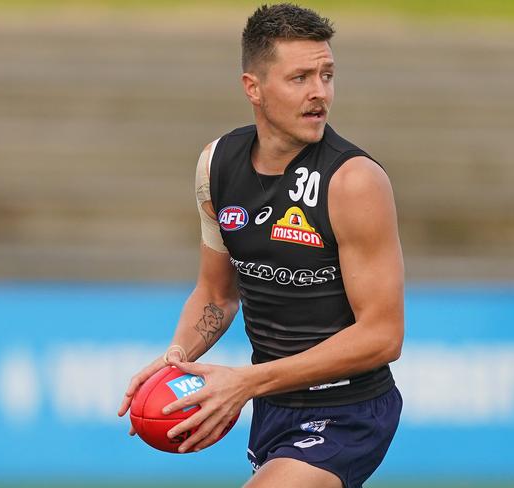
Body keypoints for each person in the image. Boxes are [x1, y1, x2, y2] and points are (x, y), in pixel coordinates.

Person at [117, 4, 404, 487]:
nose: (320, 93)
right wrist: (177, 356)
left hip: (348, 409)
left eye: (327, 75)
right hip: (274, 407)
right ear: (253, 87)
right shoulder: (217, 165)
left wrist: (244, 382)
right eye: (300, 78)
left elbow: (383, 336)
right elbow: (216, 294)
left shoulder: (354, 181)